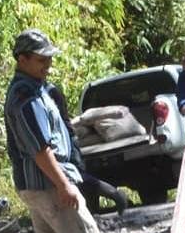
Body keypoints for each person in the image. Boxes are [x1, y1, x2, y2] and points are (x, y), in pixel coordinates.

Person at [4, 28, 131, 233]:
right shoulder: (26, 96)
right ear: (22, 59)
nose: (47, 65)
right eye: (40, 60)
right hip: (47, 181)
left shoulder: (35, 90)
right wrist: (63, 184)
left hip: (32, 184)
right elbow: (39, 148)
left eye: (49, 59)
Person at [46, 84, 128, 215]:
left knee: (78, 177)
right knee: (79, 179)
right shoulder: (46, 91)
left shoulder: (48, 92)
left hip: (65, 142)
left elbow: (60, 122)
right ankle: (95, 209)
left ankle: (116, 195)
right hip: (65, 141)